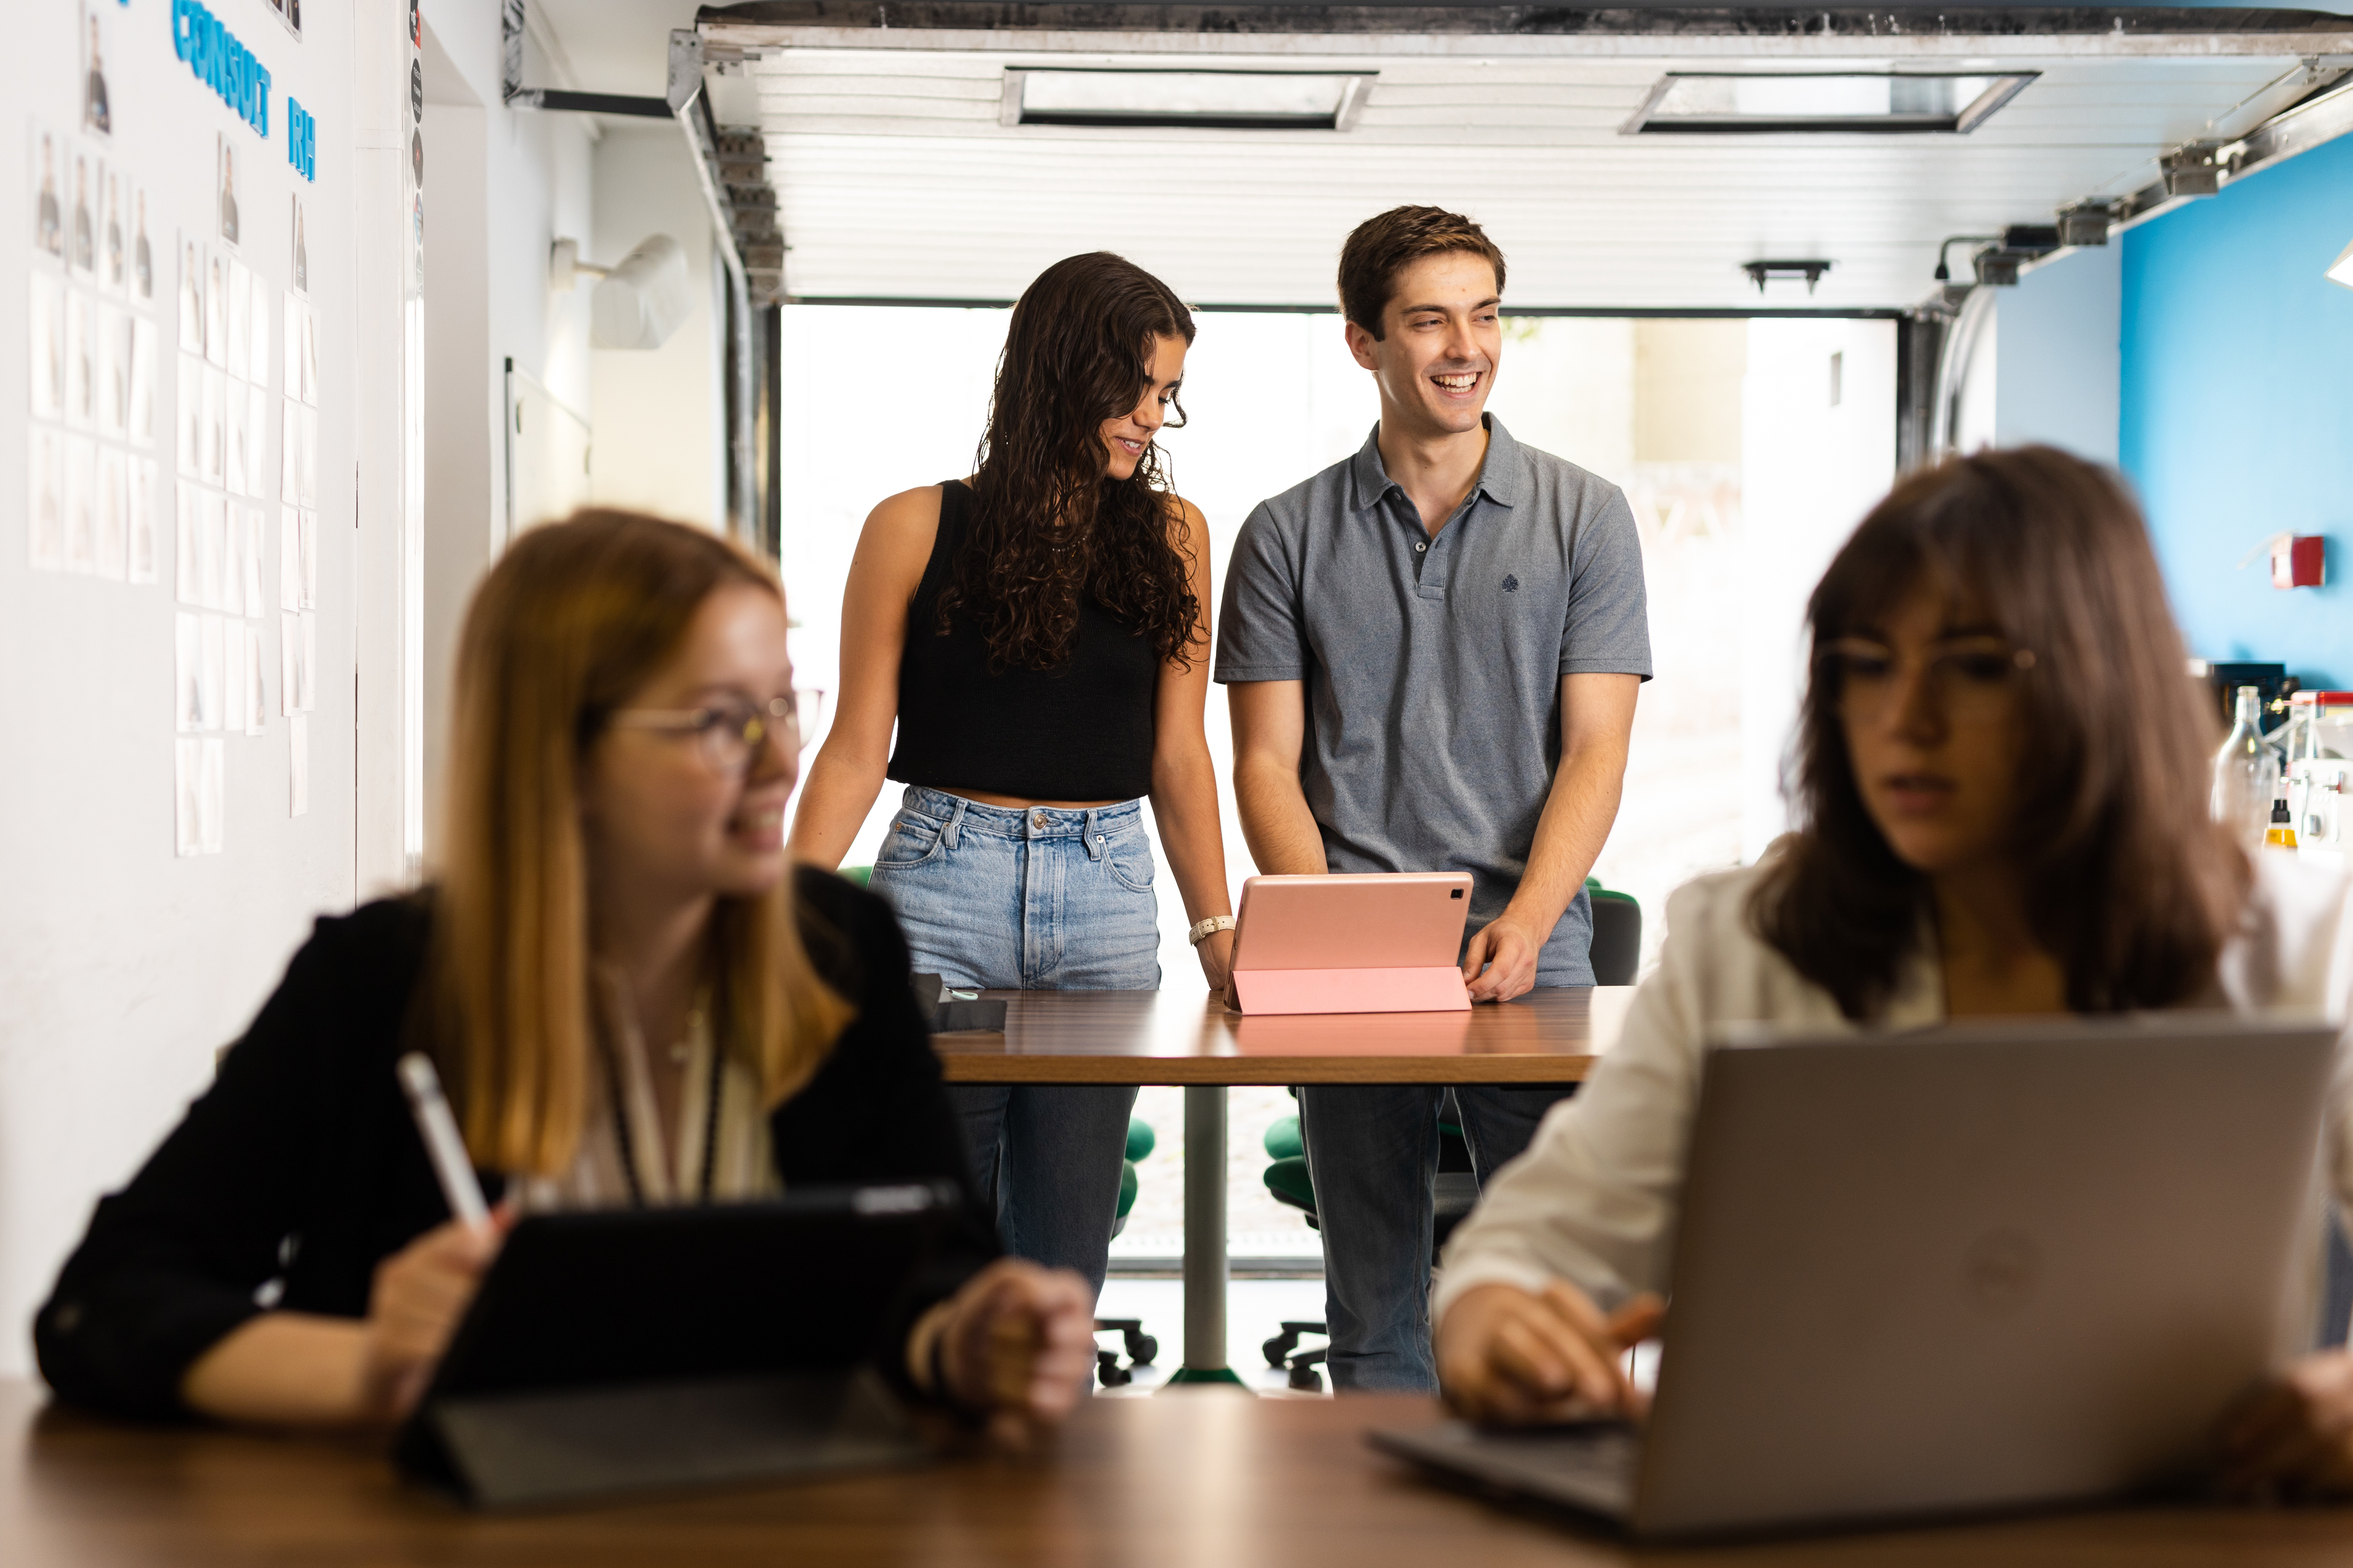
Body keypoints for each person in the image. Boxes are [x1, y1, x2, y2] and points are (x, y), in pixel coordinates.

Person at [36, 511, 1094, 1437]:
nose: (782, 762)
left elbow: (934, 1277)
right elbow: (105, 1307)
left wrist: (966, 1340)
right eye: (726, 721)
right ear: (565, 754)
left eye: (785, 703)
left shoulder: (840, 950)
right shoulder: (380, 982)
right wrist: (368, 1364)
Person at [1432, 447, 2353, 1502]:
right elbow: (1526, 1244)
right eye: (1867, 664)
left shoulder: (2310, 945)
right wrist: (1492, 1315)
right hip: (1808, 1519)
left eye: (1971, 665)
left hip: (2189, 1523)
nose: (1903, 719)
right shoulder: (1749, 941)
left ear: (2106, 678)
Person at [1216, 206, 1651, 1391]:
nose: (1465, 346)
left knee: (1550, 1303)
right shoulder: (1281, 534)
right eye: (1427, 320)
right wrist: (1322, 931)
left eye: (1484, 313)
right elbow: (1262, 760)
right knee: (1371, 1305)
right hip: (1351, 958)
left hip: (1535, 948)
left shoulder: (1585, 516)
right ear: (1360, 340)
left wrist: (1529, 918)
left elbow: (1596, 752)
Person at [789, 252, 1234, 1303]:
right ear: (1063, 372)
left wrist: (1218, 932)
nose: (1151, 417)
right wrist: (780, 917)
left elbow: (1179, 754)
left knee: (1065, 1264)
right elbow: (856, 745)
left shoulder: (1177, 536)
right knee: (938, 1246)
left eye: (1167, 394)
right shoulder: (912, 525)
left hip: (1109, 895)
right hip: (944, 888)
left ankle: (1056, 1459)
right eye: (1138, 387)